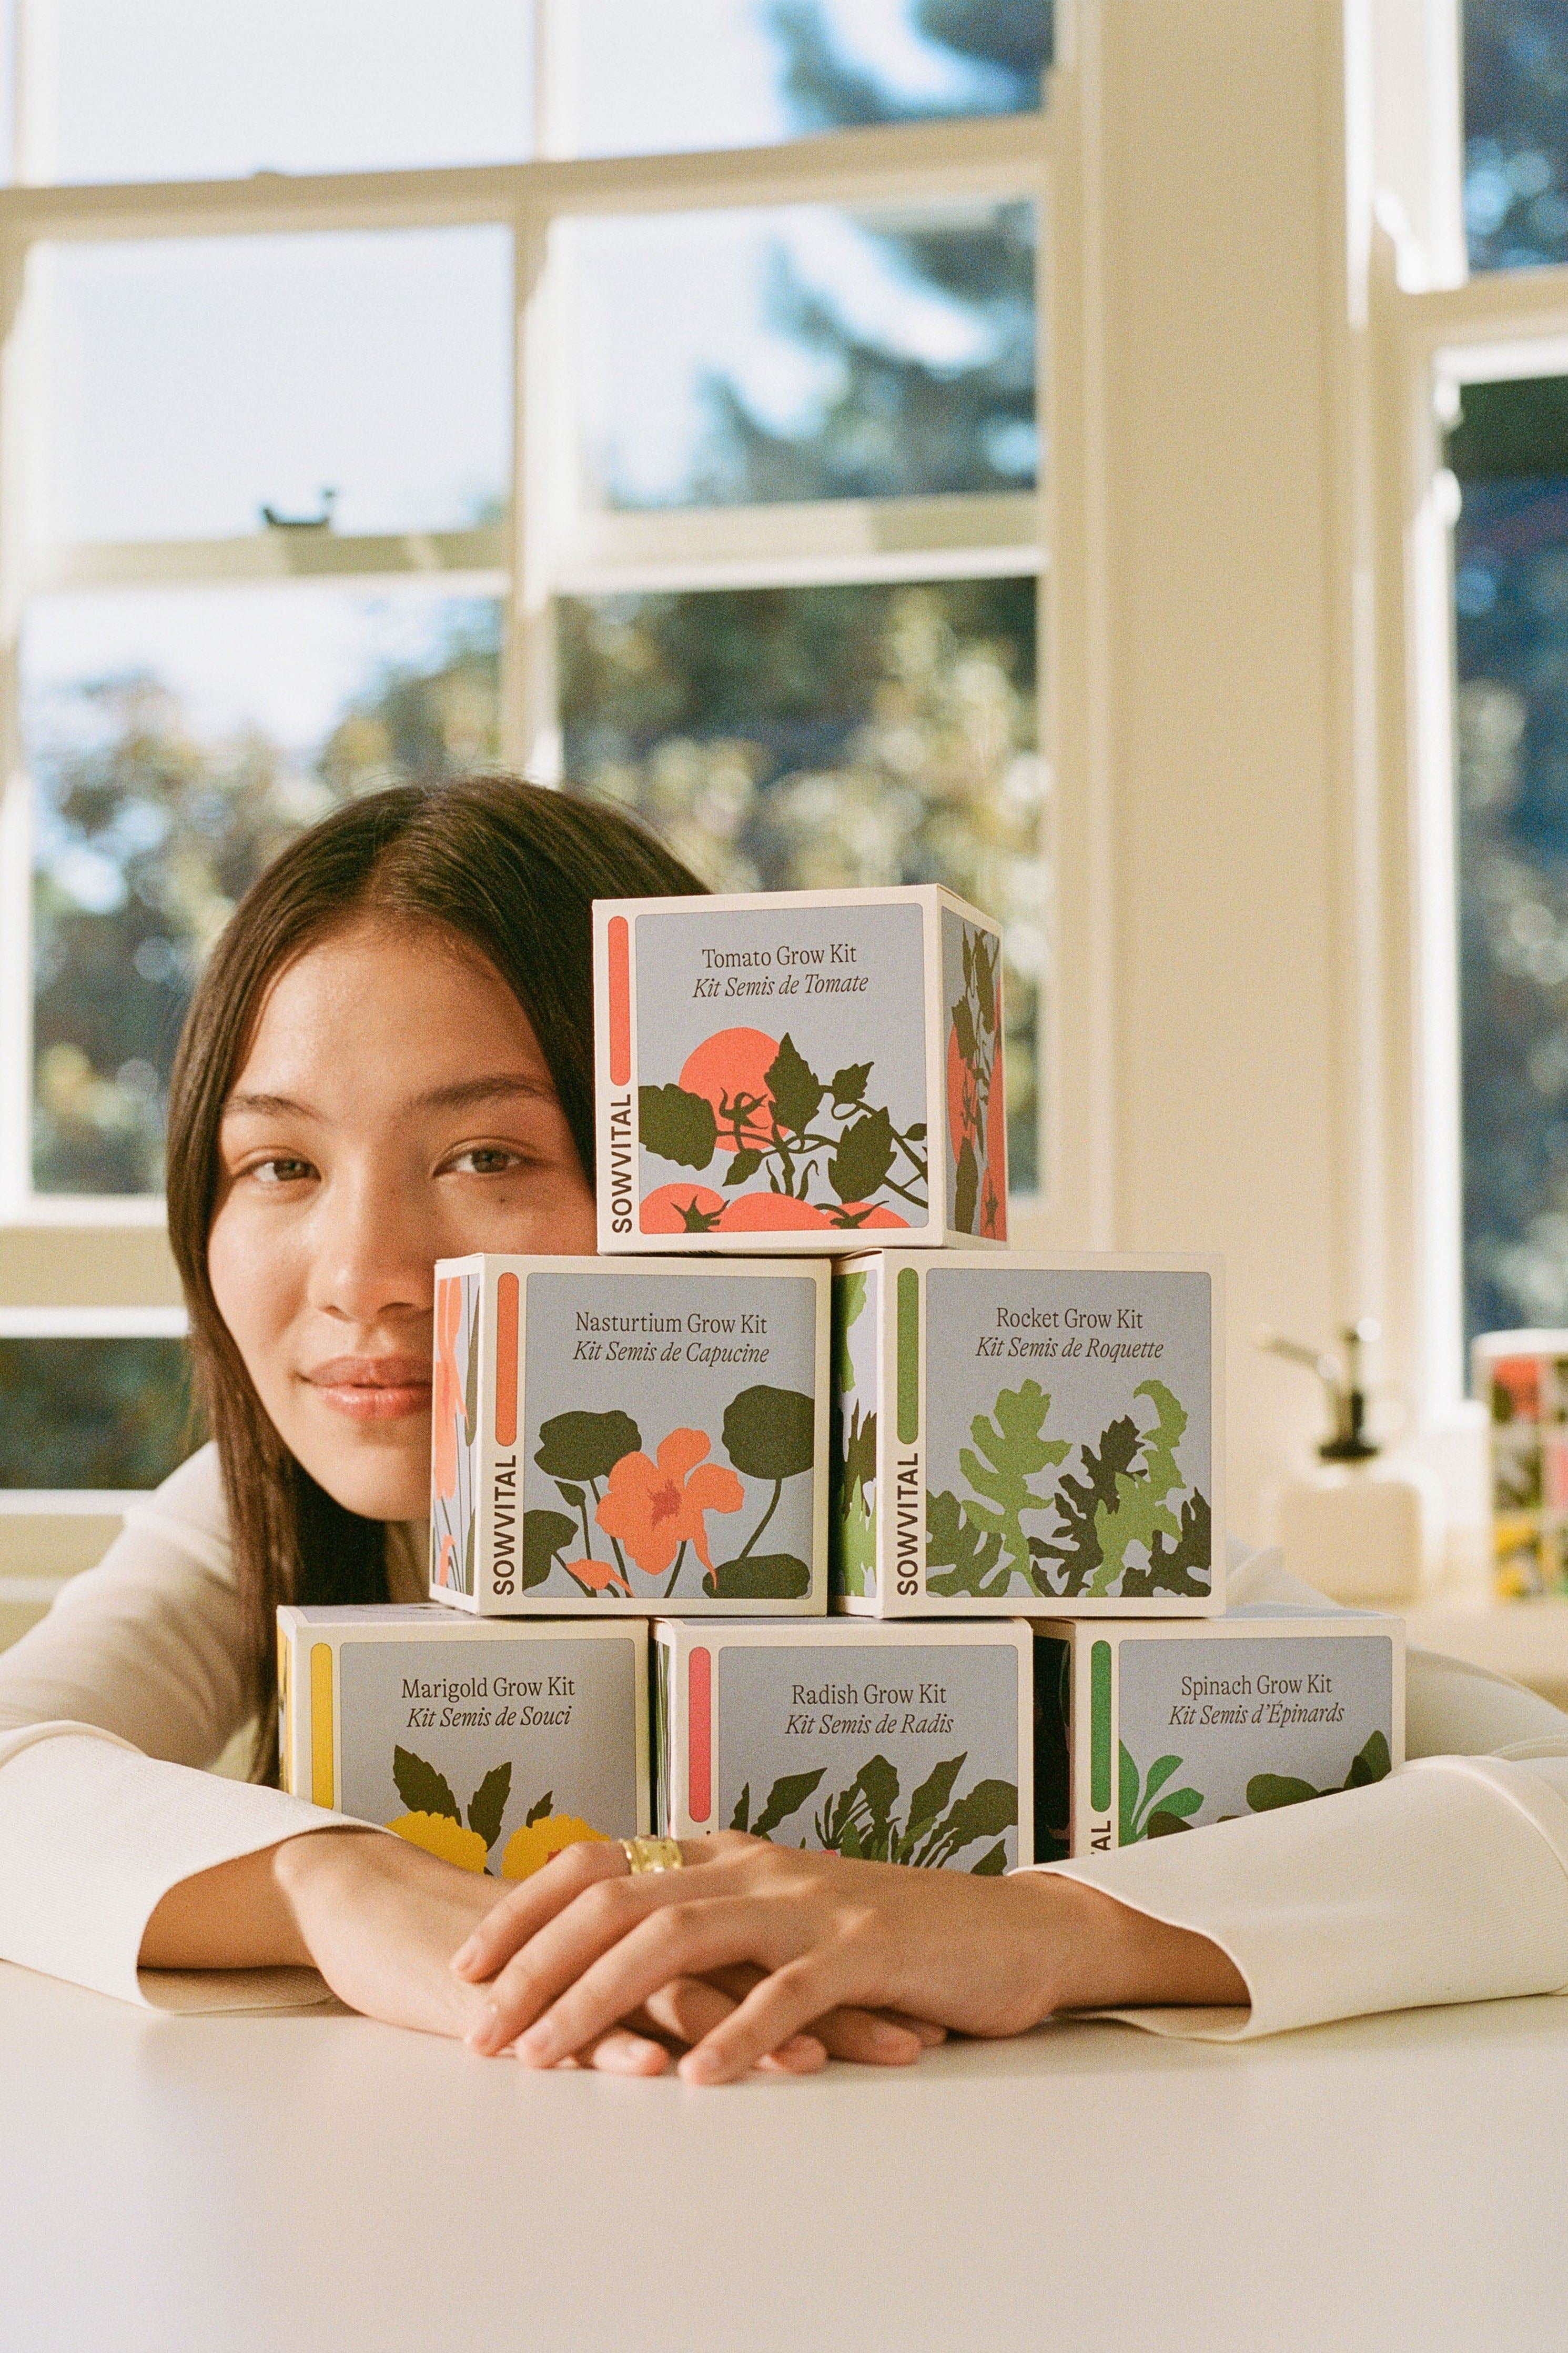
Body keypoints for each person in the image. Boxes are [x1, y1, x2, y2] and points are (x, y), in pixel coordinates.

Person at [3, 777, 1567, 2086]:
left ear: (717, 1201)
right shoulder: (255, 1502)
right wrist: (339, 1882)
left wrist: (1042, 1930)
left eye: (489, 1154)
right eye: (280, 1167)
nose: (362, 1282)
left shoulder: (977, 1484)